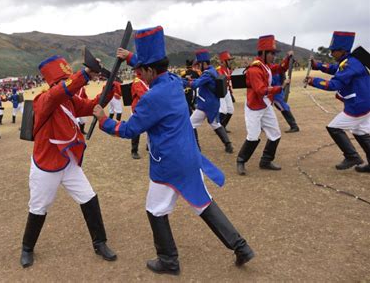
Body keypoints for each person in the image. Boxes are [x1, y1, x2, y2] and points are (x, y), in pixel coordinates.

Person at [93, 26, 254, 276]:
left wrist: (103, 119)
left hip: (168, 164)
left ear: (149, 69)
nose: (139, 75)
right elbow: (150, 68)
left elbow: (129, 130)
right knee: (203, 204)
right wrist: (130, 57)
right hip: (189, 156)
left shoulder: (152, 96)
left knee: (154, 209)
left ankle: (168, 260)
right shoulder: (172, 81)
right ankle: (241, 247)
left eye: (140, 70)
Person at [19, 55, 117, 268]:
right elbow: (58, 93)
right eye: (64, 80)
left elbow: (92, 105)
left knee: (89, 197)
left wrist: (110, 86)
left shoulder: (70, 99)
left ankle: (100, 243)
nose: (67, 83)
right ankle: (27, 248)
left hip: (68, 160)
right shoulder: (44, 100)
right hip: (46, 165)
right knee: (38, 207)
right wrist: (85, 74)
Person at [305, 31, 370, 172]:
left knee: (334, 127)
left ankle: (352, 156)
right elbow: (336, 68)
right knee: (359, 131)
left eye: (333, 51)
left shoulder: (350, 64)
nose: (331, 54)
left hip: (358, 105)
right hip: (365, 102)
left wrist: (313, 81)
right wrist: (317, 65)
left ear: (341, 51)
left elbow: (334, 85)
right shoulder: (350, 61)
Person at [236, 35, 291, 175]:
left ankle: (266, 161)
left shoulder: (265, 66)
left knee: (275, 133)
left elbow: (280, 68)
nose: (273, 56)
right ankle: (241, 161)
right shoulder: (255, 69)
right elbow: (260, 90)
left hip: (266, 105)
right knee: (253, 136)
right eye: (272, 53)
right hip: (254, 107)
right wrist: (280, 87)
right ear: (264, 53)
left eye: (274, 53)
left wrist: (288, 59)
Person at [184, 49, 233, 153]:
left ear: (203, 64)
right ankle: (228, 145)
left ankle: (196, 148)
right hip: (213, 104)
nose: (197, 67)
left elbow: (196, 84)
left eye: (199, 64)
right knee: (215, 124)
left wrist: (184, 82)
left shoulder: (207, 73)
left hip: (205, 105)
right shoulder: (213, 71)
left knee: (190, 124)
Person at [116, 48, 150, 159]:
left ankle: (149, 146)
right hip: (138, 109)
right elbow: (143, 95)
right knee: (136, 130)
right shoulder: (137, 81)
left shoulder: (148, 80)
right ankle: (134, 150)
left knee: (152, 128)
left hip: (148, 108)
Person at [271, 57, 300, 133]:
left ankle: (294, 126)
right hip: (274, 91)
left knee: (283, 107)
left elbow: (276, 79)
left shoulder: (273, 69)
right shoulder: (271, 68)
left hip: (276, 91)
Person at [217, 51, 235, 132]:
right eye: (228, 60)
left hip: (226, 90)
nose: (230, 62)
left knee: (230, 110)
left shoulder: (227, 69)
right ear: (223, 62)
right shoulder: (219, 70)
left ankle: (223, 126)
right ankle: (219, 127)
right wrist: (230, 77)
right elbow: (222, 77)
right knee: (223, 110)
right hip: (221, 92)